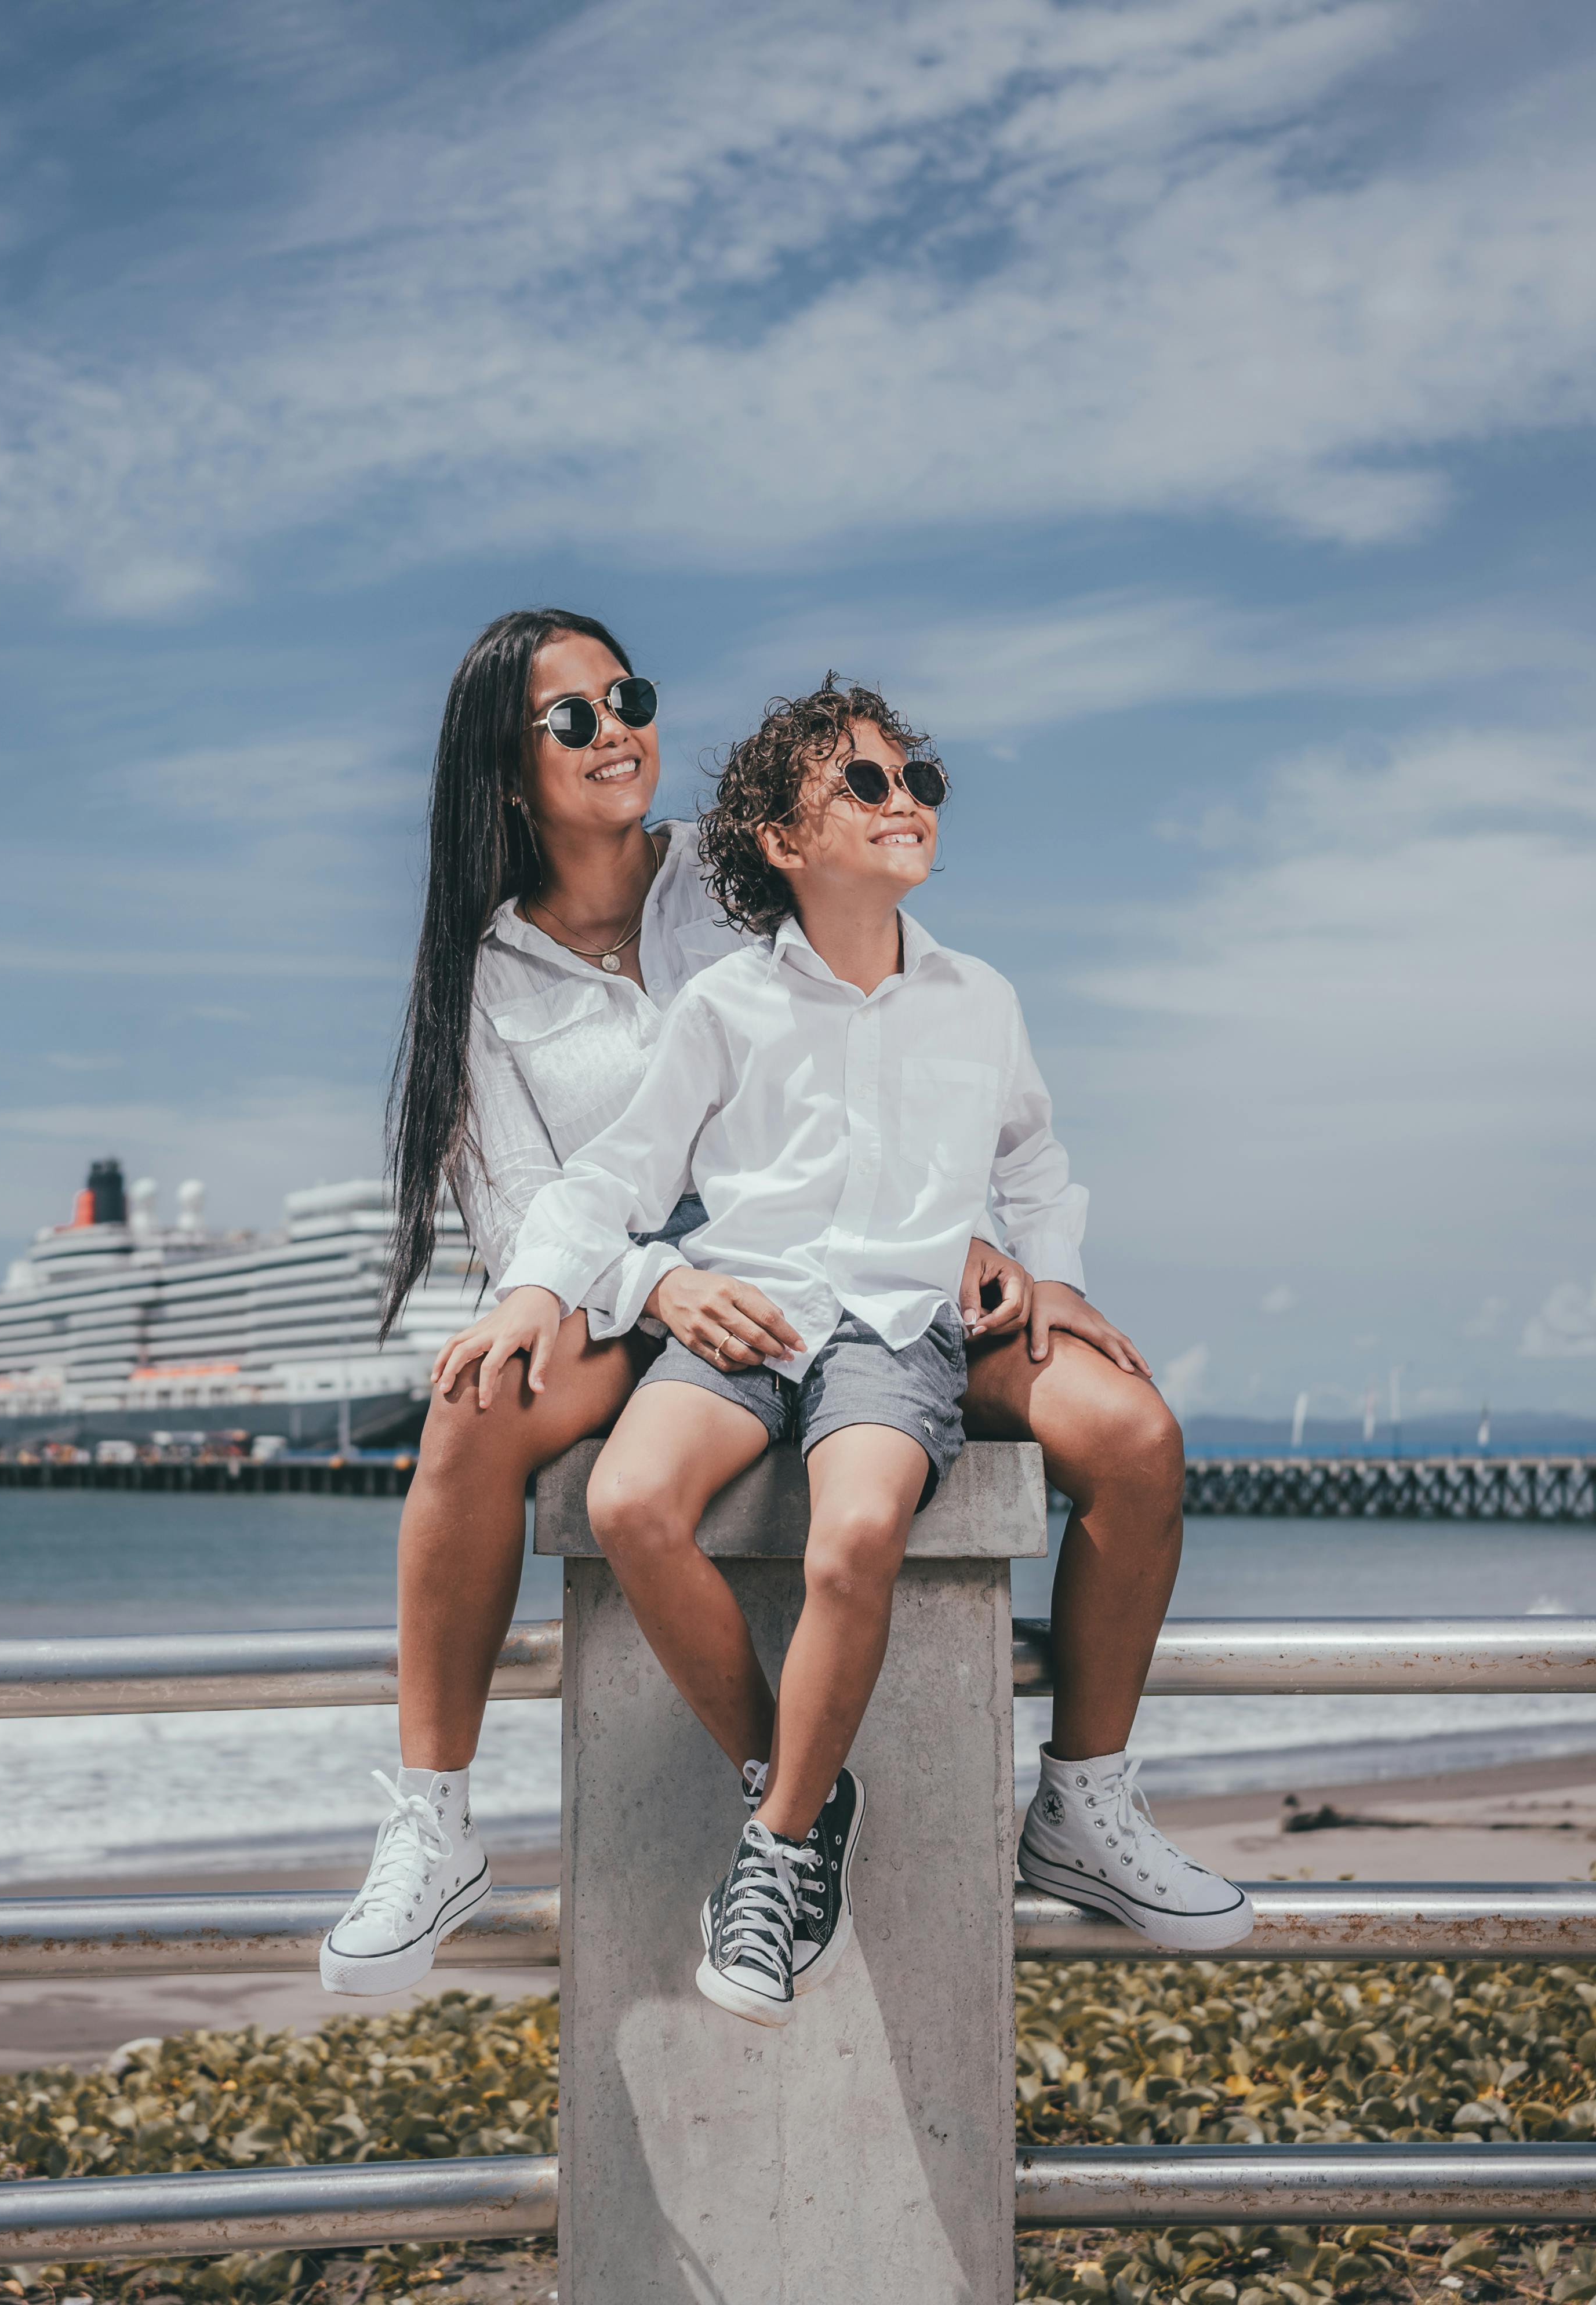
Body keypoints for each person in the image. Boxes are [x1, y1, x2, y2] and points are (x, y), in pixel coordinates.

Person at [315, 611, 1223, 1998]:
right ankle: (450, 1825)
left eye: (629, 696)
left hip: (867, 1284)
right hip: (635, 1304)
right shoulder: (486, 976)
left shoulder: (733, 881)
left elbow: (889, 1043)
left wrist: (1013, 1246)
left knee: (1130, 1431)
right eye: (572, 716)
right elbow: (527, 1220)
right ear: (508, 769)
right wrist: (665, 1281)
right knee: (472, 1408)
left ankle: (1085, 1799)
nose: (615, 728)